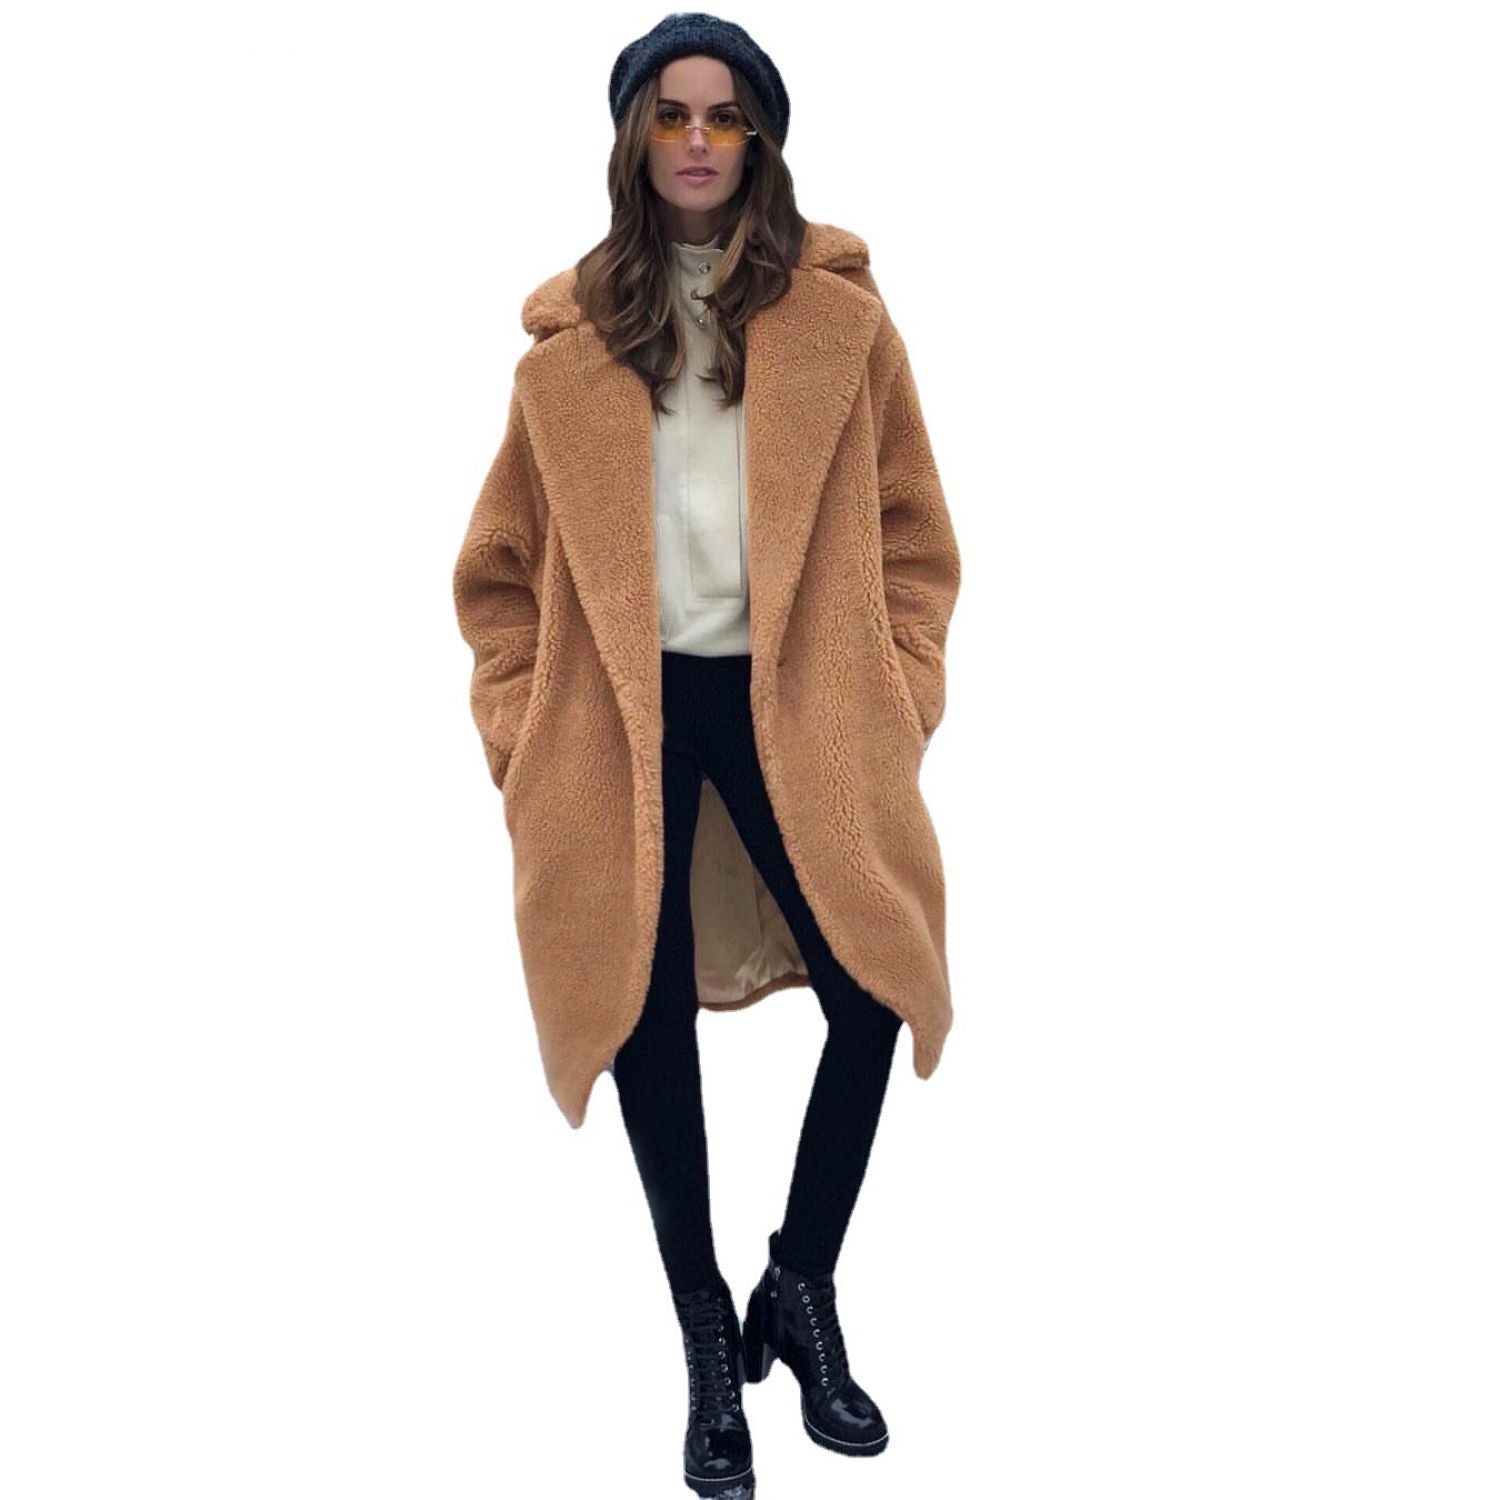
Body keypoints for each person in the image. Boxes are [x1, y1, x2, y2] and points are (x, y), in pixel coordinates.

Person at [451, 13, 961, 1496]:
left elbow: (915, 536)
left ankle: (799, 1282)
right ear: (634, 138)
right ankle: (703, 1340)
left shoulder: (843, 325)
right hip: (620, 719)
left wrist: (898, 688)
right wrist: (520, 732)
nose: (695, 139)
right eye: (671, 114)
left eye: (723, 116)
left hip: (803, 704)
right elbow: (496, 574)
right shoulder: (565, 356)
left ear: (759, 140)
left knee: (875, 987)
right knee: (641, 1008)